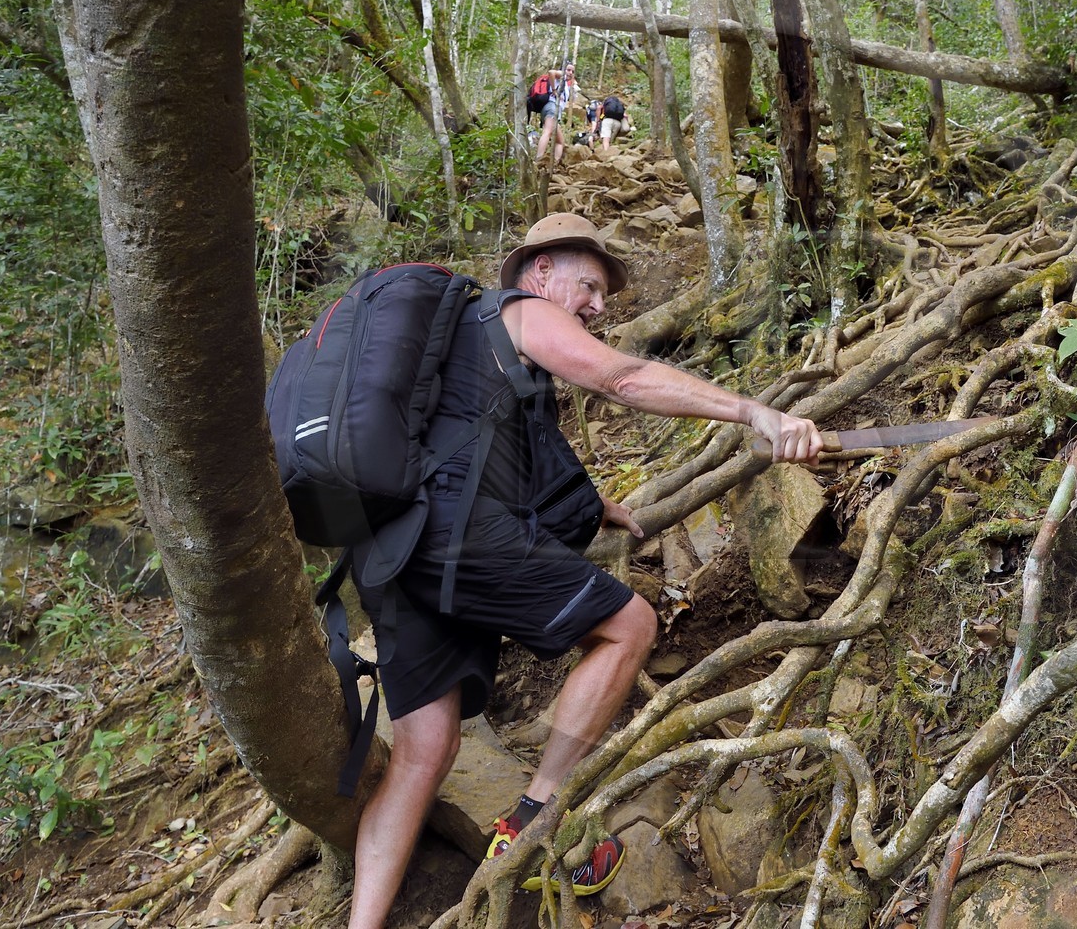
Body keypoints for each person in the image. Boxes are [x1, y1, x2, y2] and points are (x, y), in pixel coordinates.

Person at [346, 213, 824, 928]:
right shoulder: (522, 310)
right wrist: (752, 412)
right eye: (591, 285)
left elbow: (493, 447)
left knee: (425, 749)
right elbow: (623, 376)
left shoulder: (461, 348)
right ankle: (538, 814)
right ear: (540, 270)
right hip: (458, 537)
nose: (600, 307)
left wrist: (594, 505)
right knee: (630, 624)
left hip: (391, 551)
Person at [533, 61, 579, 168]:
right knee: (547, 132)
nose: (570, 72)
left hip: (552, 110)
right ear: (563, 70)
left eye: (572, 71)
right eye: (568, 70)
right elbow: (551, 72)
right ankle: (538, 160)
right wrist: (554, 90)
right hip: (551, 108)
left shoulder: (566, 85)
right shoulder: (560, 78)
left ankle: (555, 164)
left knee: (560, 141)